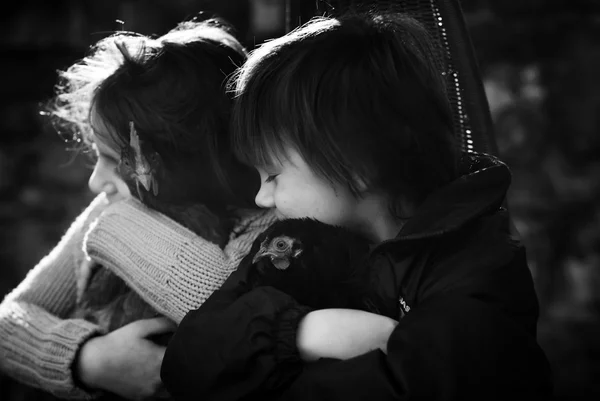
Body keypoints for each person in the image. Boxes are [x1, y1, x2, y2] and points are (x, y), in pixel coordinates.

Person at [159, 12, 554, 400]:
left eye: (274, 175)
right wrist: (301, 332)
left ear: (357, 164)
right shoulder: (295, 243)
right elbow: (187, 359)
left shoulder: (475, 267)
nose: (261, 198)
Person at [0, 17, 277, 400]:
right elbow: (8, 323)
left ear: (180, 162)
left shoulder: (269, 227)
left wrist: (115, 223)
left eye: (114, 159)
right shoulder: (113, 208)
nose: (96, 183)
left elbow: (228, 304)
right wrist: (90, 360)